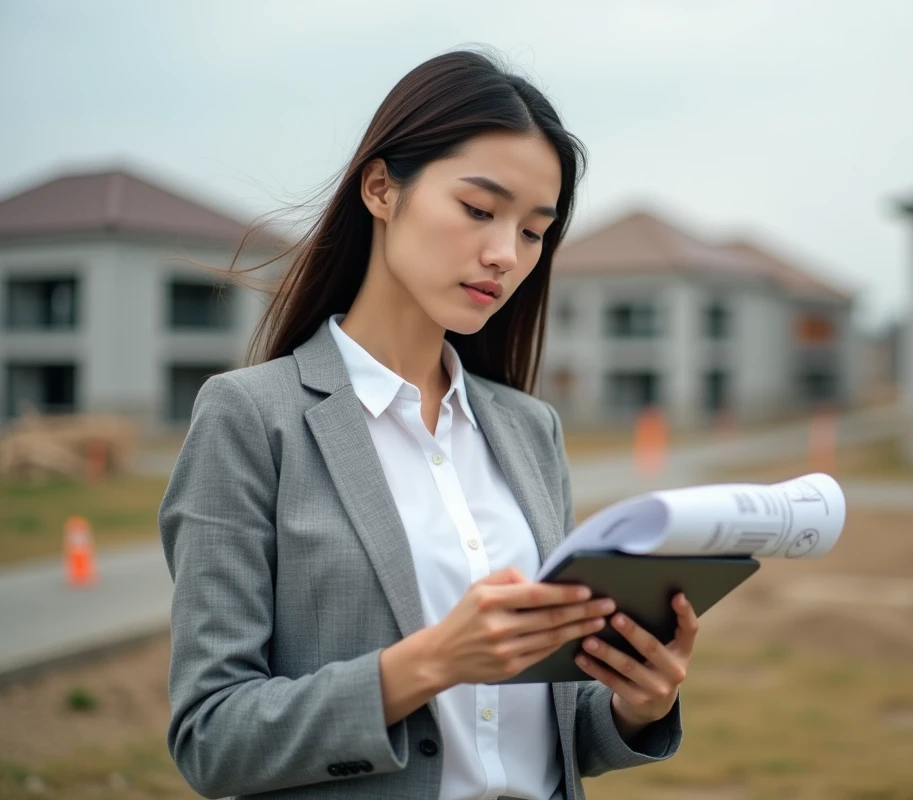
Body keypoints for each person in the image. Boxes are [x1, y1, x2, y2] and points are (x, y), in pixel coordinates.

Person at [158, 50, 696, 800]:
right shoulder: (251, 418)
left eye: (535, 232)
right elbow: (212, 738)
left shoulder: (529, 430)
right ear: (381, 188)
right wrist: (430, 663)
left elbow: (548, 731)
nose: (505, 255)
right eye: (479, 210)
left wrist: (637, 705)